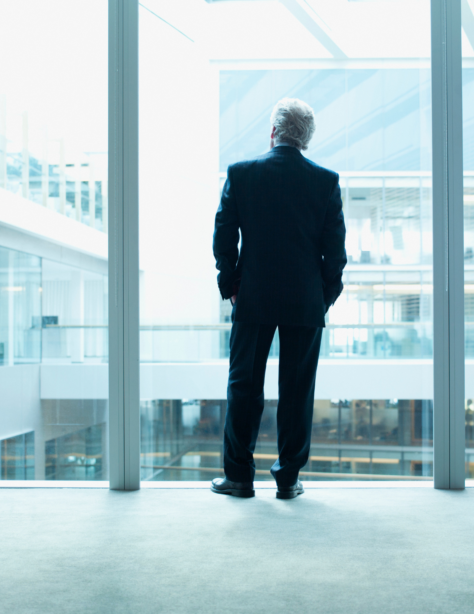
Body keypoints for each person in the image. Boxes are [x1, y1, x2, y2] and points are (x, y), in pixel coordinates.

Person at [211, 98, 347, 500]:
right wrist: (323, 297)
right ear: (306, 139)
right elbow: (334, 252)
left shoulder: (242, 174)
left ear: (273, 131)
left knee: (244, 386)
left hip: (252, 296)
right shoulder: (326, 182)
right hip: (305, 302)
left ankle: (239, 476)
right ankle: (288, 479)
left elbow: (223, 235)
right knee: (297, 390)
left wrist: (230, 284)